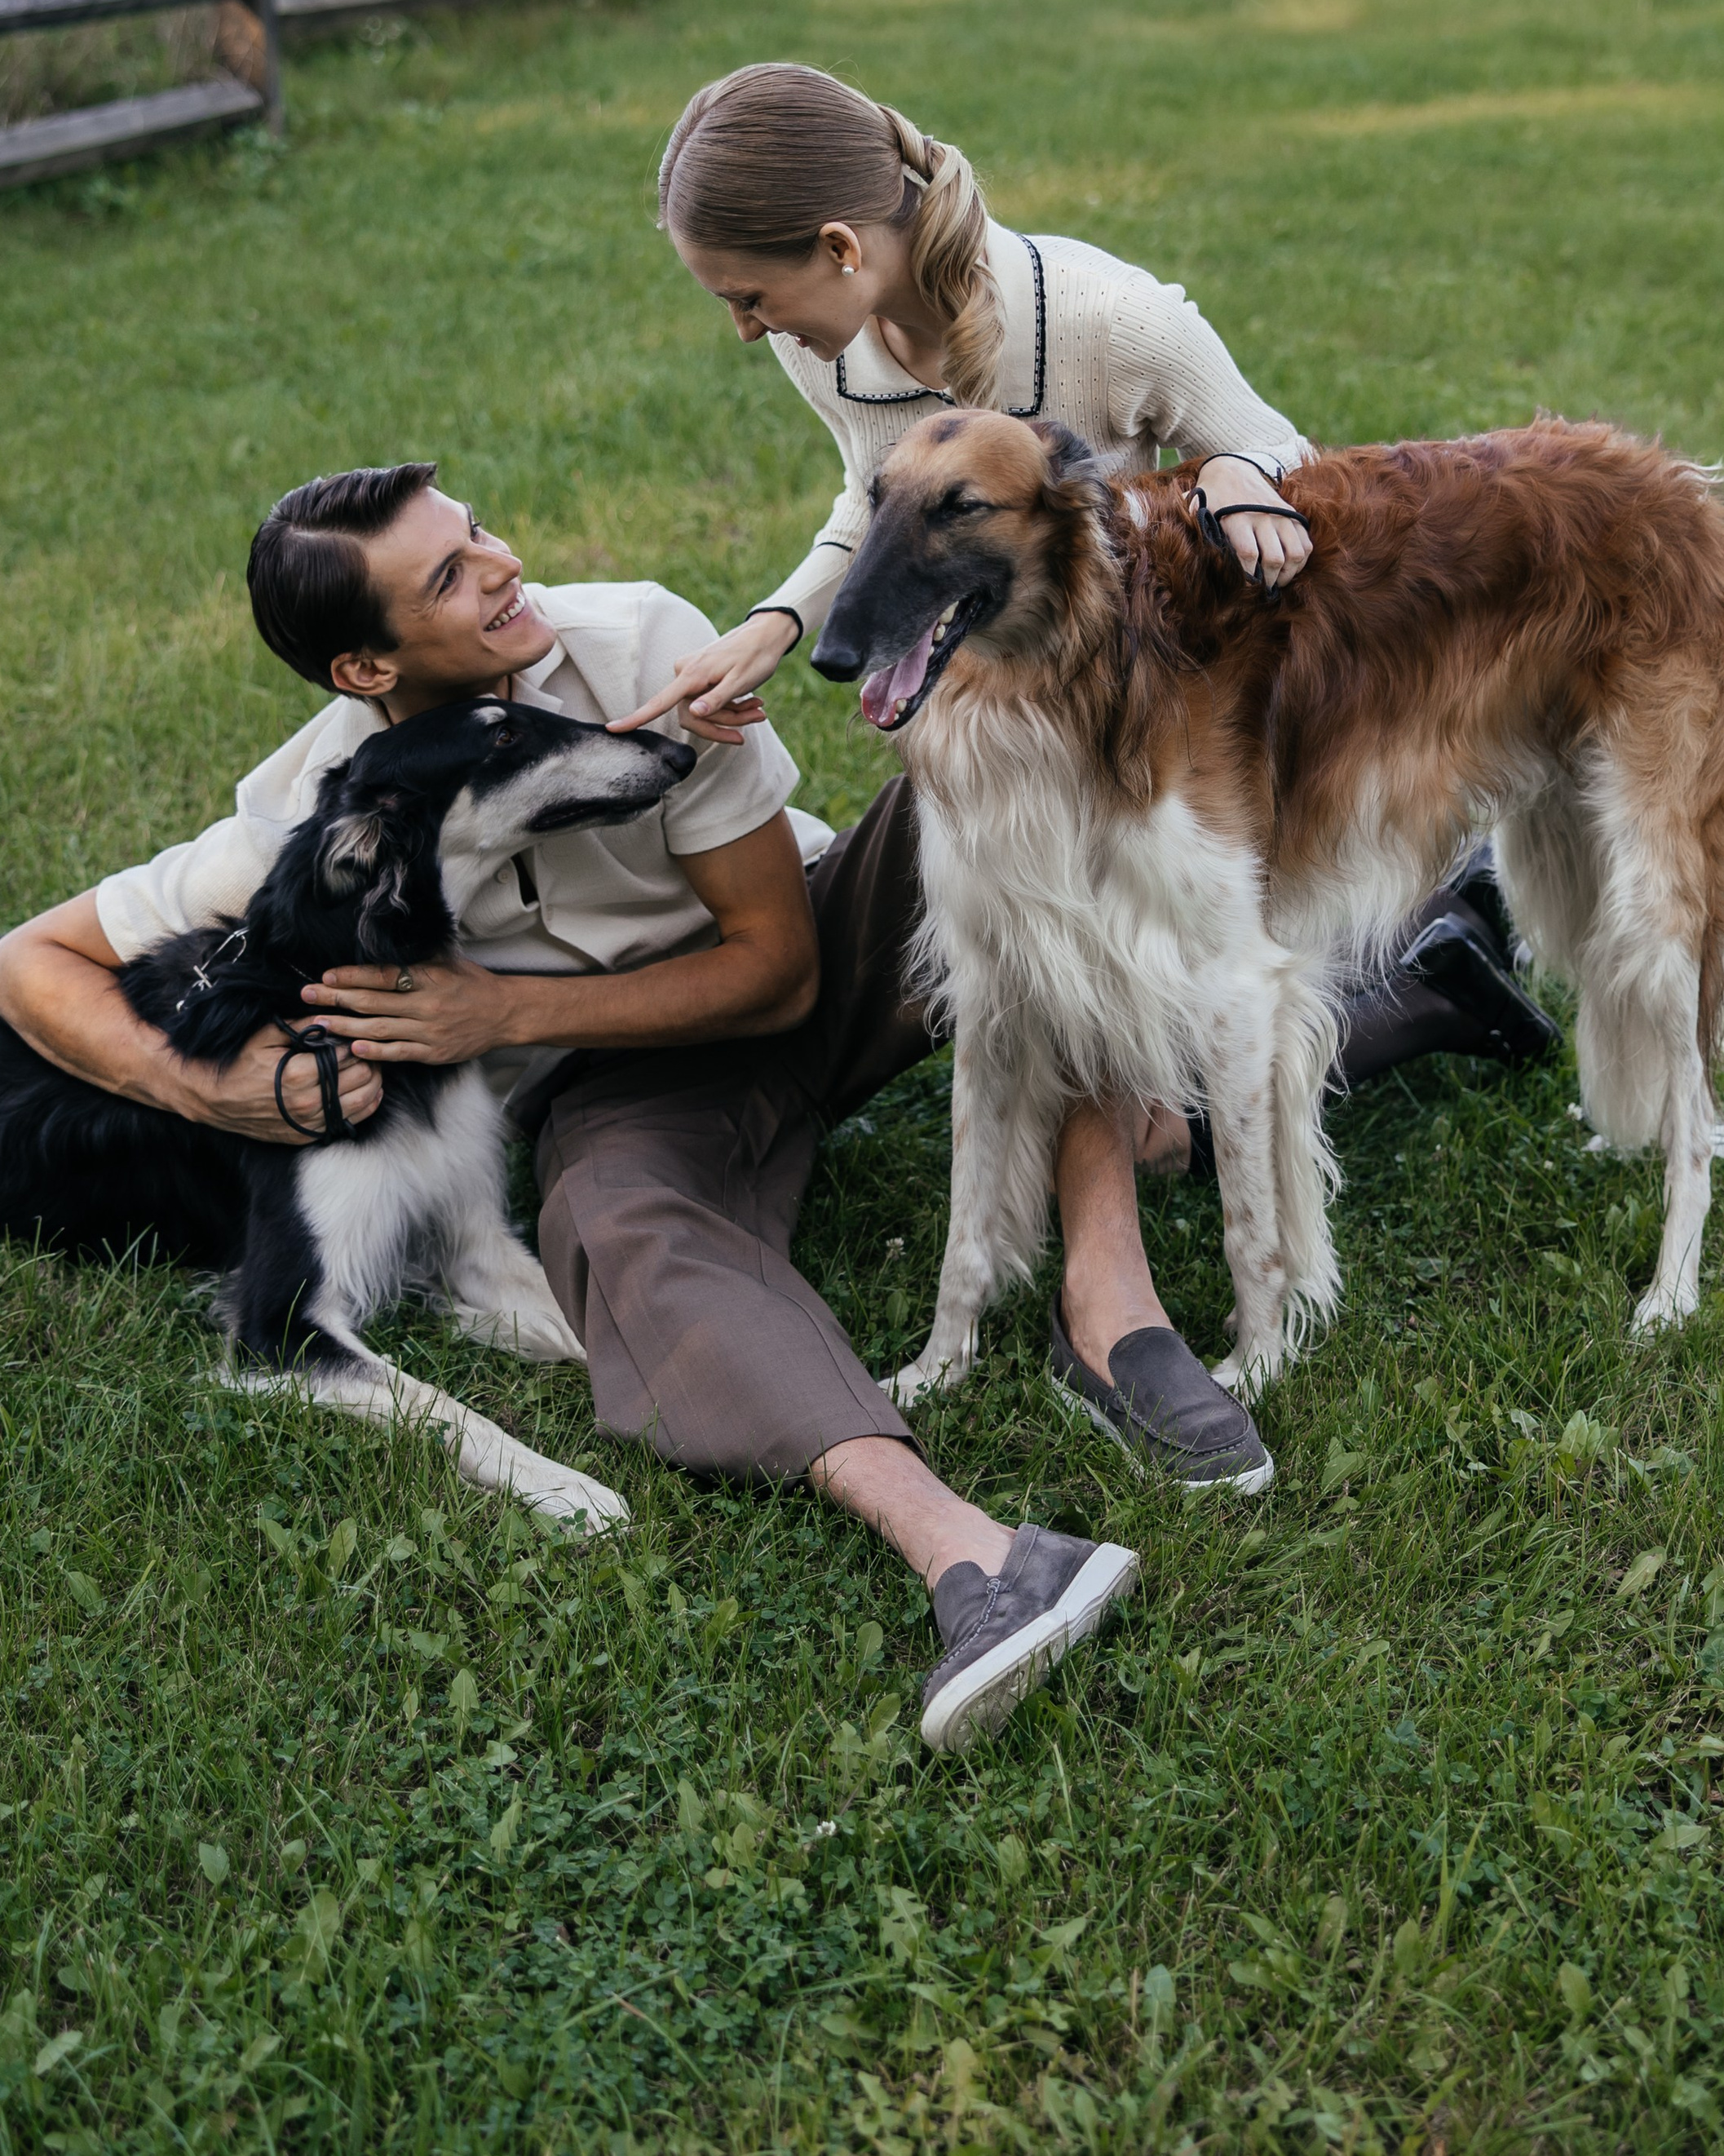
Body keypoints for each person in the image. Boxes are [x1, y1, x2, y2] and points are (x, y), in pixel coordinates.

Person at [0, 463, 1144, 1756]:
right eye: (447, 575)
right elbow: (28, 960)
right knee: (611, 1229)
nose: (502, 566)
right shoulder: (317, 821)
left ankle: (1120, 1268)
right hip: (641, 1088)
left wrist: (502, 1013)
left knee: (994, 783)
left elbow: (778, 972)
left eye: (475, 532)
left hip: (847, 951)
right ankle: (981, 1562)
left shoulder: (635, 644)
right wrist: (217, 1088)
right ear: (365, 673)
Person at [616, 60, 1559, 1438]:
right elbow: (865, 508)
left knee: (1147, 1001)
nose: (747, 334)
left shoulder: (1116, 322)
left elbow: (1289, 469)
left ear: (837, 247)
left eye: (747, 301)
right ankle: (1425, 996)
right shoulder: (843, 347)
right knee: (1085, 1023)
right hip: (991, 711)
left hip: (1149, 719)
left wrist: (1235, 474)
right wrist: (772, 622)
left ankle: (1127, 1295)